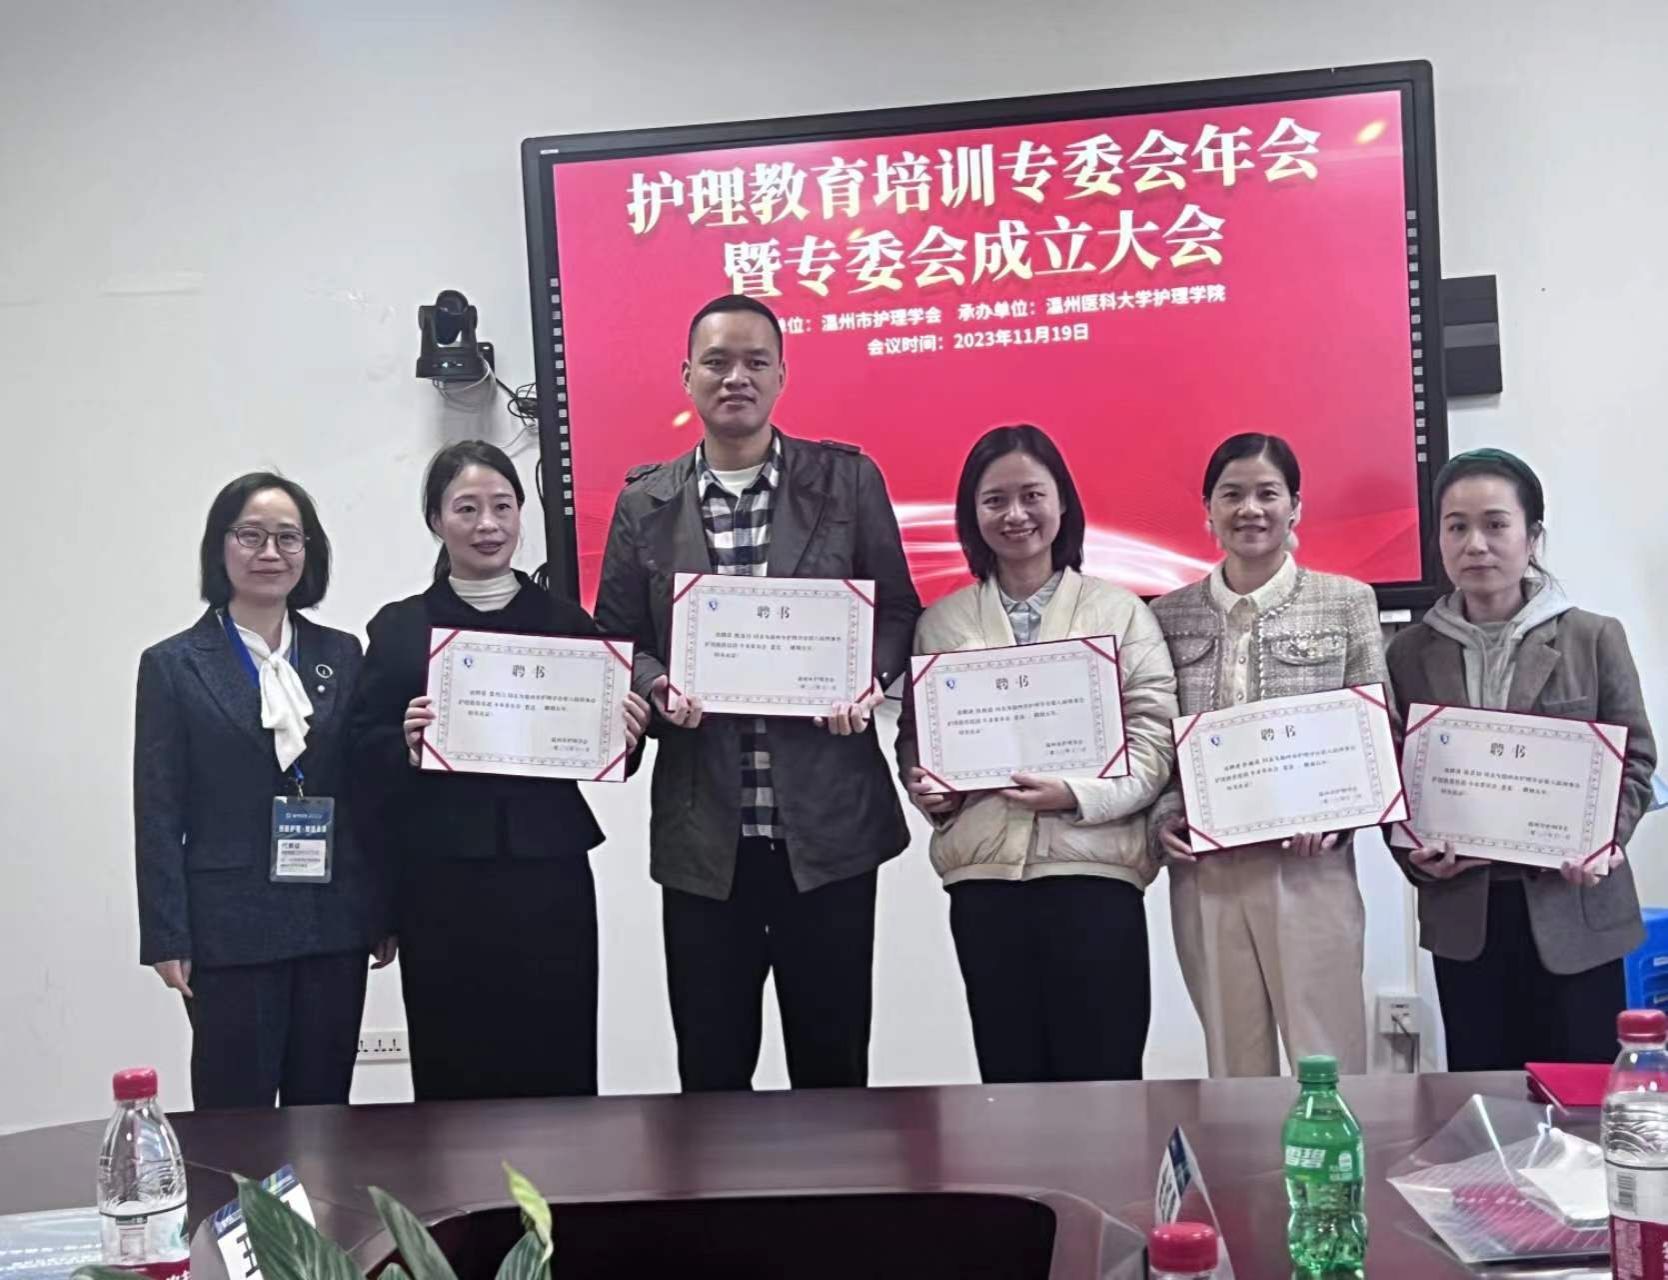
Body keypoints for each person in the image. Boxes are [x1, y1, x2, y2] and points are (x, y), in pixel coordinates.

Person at [595, 294, 921, 1092]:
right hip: (706, 836)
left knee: (833, 1071)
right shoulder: (645, 501)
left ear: (781, 376)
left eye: (754, 362)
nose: (735, 377)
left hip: (829, 831)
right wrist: (655, 682)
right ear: (687, 377)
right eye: (716, 362)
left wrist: (869, 680)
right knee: (711, 1075)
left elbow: (897, 611)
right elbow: (617, 641)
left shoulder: (846, 482)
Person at [347, 441, 649, 1101]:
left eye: (503, 507)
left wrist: (628, 735)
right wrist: (403, 743)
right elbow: (361, 750)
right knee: (452, 1060)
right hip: (437, 880)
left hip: (549, 873)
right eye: (467, 509)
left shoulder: (566, 623)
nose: (488, 524)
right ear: (436, 520)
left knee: (557, 1051)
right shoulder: (400, 629)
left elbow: (609, 751)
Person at [895, 425, 1178, 1083]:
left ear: (1062, 503)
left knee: (1104, 1081)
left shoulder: (1120, 612)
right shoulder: (941, 623)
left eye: (1032, 495)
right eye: (994, 500)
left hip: (1094, 876)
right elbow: (918, 738)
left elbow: (1155, 739)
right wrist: (928, 788)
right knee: (1009, 1081)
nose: (1015, 515)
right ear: (972, 514)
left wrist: (1076, 795)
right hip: (984, 884)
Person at [1386, 448, 1657, 1069]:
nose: (1475, 544)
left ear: (1532, 536)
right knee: (1484, 1097)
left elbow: (1636, 760)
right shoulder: (1409, 653)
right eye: (1457, 527)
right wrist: (1417, 858)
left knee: (1581, 1096)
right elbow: (1395, 777)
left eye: (1495, 524)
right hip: (1467, 917)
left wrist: (1602, 840)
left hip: (1575, 911)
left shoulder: (1593, 637)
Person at [134, 473, 392, 1108]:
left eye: (287, 538)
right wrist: (167, 934)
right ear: (219, 547)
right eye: (250, 535)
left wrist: (382, 911)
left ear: (309, 552)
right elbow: (158, 808)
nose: (269, 552)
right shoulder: (173, 664)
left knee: (324, 1117)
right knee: (234, 1119)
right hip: (228, 927)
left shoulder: (342, 653)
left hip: (333, 920)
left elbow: (367, 795)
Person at [1149, 433, 1387, 1078]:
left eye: (1267, 494)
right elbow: (1156, 737)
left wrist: (1336, 819)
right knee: (1233, 1064)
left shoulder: (1347, 602)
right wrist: (1166, 817)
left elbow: (1374, 733)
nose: (1249, 509)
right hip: (1207, 870)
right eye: (1232, 495)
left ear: (1295, 506)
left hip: (1308, 867)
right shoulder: (1167, 616)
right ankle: (1242, 1155)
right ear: (1208, 509)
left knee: (1327, 1057)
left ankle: (1330, 1152)